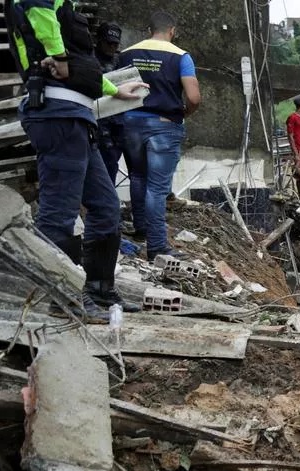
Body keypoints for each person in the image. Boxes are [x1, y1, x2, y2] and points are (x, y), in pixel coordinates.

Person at [13, 0, 148, 320]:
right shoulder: (45, 8)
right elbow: (39, 12)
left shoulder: (64, 10)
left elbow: (78, 71)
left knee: (106, 208)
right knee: (59, 214)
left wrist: (115, 90)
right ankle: (61, 299)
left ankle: (99, 290)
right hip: (57, 116)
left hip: (77, 117)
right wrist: (58, 56)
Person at [118, 12, 201, 260]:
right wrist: (185, 112)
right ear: (172, 30)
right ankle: (156, 246)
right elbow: (194, 97)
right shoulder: (180, 56)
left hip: (130, 122)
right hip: (164, 125)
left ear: (148, 29)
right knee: (157, 188)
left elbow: (116, 89)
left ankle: (142, 229)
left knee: (137, 177)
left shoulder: (126, 54)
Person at [93, 22, 125, 186]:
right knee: (103, 163)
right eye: (108, 43)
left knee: (112, 162)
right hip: (97, 120)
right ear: (99, 40)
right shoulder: (89, 59)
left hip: (117, 119)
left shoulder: (120, 60)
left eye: (115, 44)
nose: (112, 47)